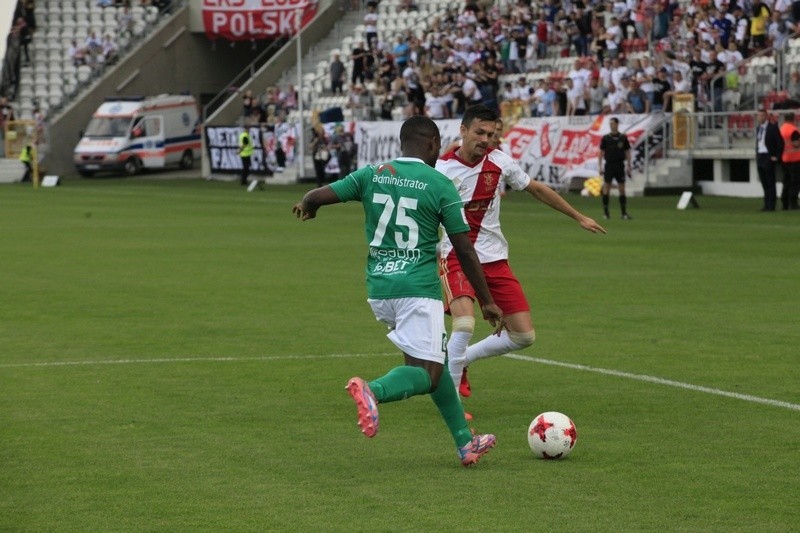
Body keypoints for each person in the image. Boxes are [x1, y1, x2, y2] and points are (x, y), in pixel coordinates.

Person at [292, 115, 505, 467]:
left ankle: (466, 444)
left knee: (432, 364)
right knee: (430, 373)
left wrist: (309, 205)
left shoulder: (371, 174)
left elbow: (318, 195)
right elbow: (464, 248)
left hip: (380, 289)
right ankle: (372, 390)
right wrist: (487, 300)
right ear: (434, 144)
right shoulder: (439, 184)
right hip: (417, 290)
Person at [436, 105, 606, 413]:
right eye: (479, 133)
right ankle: (453, 405)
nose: (486, 139)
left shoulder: (500, 162)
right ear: (462, 131)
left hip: (494, 259)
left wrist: (578, 216)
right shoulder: (440, 169)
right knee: (464, 324)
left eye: (491, 134)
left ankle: (462, 359)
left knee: (523, 336)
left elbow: (537, 189)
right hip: (456, 255)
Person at [599, 117, 633, 220]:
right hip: (609, 165)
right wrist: (600, 166)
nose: (611, 125)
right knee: (606, 188)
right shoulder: (606, 138)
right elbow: (601, 153)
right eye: (610, 124)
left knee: (622, 189)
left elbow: (627, 152)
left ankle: (623, 213)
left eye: (613, 123)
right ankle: (606, 213)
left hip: (619, 165)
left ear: (617, 124)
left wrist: (629, 165)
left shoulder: (623, 138)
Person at [756, 109, 784, 212]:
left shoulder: (772, 128)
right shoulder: (758, 128)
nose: (760, 118)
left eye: (762, 115)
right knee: (764, 182)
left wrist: (776, 156)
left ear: (766, 116)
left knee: (770, 181)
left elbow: (780, 143)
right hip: (760, 156)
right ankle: (766, 204)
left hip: (768, 156)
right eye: (759, 116)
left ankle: (771, 204)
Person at [779, 112, 800, 211]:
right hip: (795, 159)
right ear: (793, 119)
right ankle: (793, 203)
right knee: (795, 182)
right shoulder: (793, 130)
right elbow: (796, 144)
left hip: (784, 158)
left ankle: (785, 202)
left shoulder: (781, 129)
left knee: (786, 181)